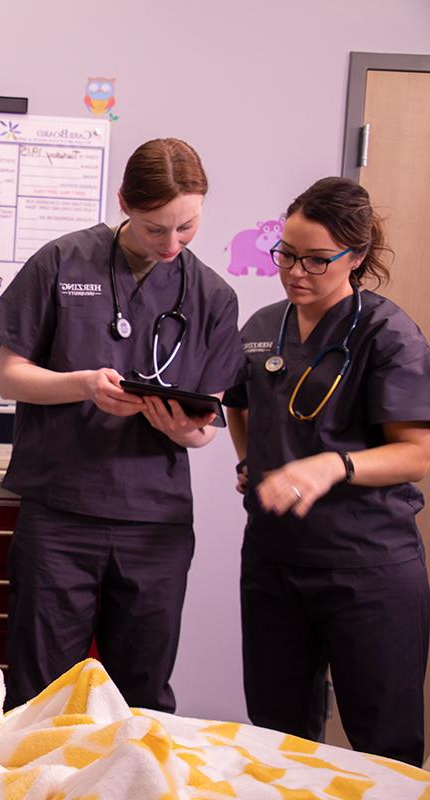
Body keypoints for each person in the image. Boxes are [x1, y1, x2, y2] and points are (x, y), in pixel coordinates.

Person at [0, 138, 243, 711]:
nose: (171, 244)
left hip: (155, 523)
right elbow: (11, 377)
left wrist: (177, 425)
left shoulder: (214, 297)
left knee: (142, 692)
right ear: (124, 202)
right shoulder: (61, 262)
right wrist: (81, 385)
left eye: (187, 228)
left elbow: (206, 428)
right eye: (155, 228)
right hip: (60, 513)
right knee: (40, 691)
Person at [224, 177, 430, 765]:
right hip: (273, 560)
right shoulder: (264, 326)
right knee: (277, 736)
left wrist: (331, 466)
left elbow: (416, 453)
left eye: (317, 260)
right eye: (286, 254)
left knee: (383, 745)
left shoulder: (388, 335)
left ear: (357, 257)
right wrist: (249, 459)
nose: (296, 272)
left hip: (367, 567)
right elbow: (237, 402)